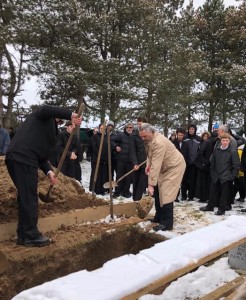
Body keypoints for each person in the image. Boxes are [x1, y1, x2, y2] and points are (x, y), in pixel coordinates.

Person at [5, 105, 82, 247]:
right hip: (23, 157)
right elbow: (45, 109)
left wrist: (49, 172)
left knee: (26, 196)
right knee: (30, 197)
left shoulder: (51, 131)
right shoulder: (43, 116)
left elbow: (42, 157)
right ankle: (30, 235)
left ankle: (23, 234)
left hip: (18, 158)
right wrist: (71, 114)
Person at [139, 123, 186, 231]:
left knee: (166, 193)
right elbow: (151, 156)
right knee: (158, 191)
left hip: (174, 166)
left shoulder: (159, 142)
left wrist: (150, 184)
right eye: (141, 136)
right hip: (164, 166)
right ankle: (158, 217)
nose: (142, 138)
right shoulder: (149, 140)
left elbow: (156, 164)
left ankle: (167, 223)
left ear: (151, 132)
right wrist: (148, 165)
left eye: (144, 136)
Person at [200, 133, 240, 215]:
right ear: (220, 141)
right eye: (223, 140)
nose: (225, 142)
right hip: (215, 175)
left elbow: (236, 166)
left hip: (226, 177)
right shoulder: (216, 150)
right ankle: (210, 206)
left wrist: (231, 176)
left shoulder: (232, 151)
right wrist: (213, 173)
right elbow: (212, 163)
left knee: (224, 195)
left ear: (229, 141)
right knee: (212, 192)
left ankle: (221, 209)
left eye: (227, 140)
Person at [129, 116, 148, 201]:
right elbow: (132, 151)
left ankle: (139, 199)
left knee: (142, 182)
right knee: (136, 182)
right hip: (137, 163)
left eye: (141, 123)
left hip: (146, 162)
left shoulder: (149, 133)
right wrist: (135, 163)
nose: (139, 125)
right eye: (138, 123)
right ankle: (135, 200)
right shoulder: (133, 135)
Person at [113, 122, 134, 198]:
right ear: (125, 128)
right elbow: (112, 141)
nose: (129, 129)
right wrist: (116, 146)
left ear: (133, 128)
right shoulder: (120, 135)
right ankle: (117, 192)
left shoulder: (134, 136)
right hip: (121, 159)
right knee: (119, 176)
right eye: (128, 127)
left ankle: (126, 192)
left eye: (131, 127)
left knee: (128, 178)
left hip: (130, 161)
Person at [182, 124, 201, 200]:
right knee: (184, 180)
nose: (191, 130)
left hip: (194, 163)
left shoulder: (198, 139)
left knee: (192, 180)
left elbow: (200, 150)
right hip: (185, 162)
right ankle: (183, 195)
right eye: (190, 129)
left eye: (192, 129)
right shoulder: (185, 138)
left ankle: (191, 196)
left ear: (195, 130)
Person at [194, 131, 213, 202]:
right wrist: (204, 162)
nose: (205, 138)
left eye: (207, 136)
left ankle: (203, 197)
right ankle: (203, 197)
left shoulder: (206, 143)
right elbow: (200, 153)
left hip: (204, 165)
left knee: (204, 182)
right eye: (204, 136)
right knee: (202, 182)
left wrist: (204, 162)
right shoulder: (203, 143)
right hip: (203, 165)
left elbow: (201, 153)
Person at [172, 127, 189, 202]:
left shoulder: (186, 144)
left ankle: (184, 195)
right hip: (174, 164)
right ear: (176, 135)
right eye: (179, 135)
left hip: (183, 164)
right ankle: (175, 196)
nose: (180, 136)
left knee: (184, 181)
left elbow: (187, 154)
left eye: (182, 135)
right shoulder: (172, 143)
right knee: (175, 182)